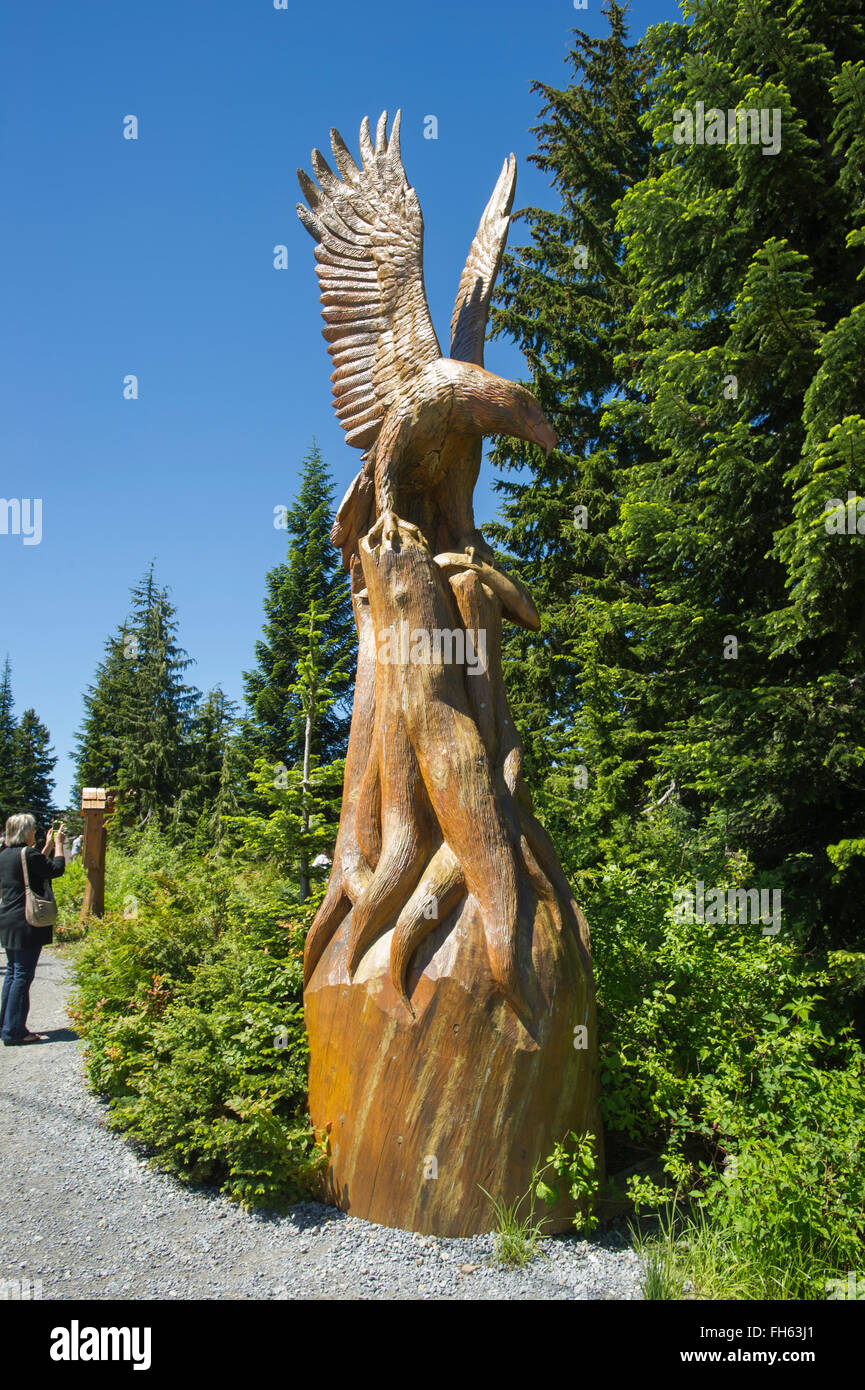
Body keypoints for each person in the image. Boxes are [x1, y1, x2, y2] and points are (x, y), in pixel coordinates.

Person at [0, 814, 66, 1045]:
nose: (35, 832)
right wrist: (58, 845)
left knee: (12, 973)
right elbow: (55, 869)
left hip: (8, 919)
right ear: (24, 831)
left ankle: (6, 1025)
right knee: (22, 976)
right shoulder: (27, 854)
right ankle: (15, 1032)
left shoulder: (5, 854)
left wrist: (45, 847)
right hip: (27, 920)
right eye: (33, 829)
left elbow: (33, 869)